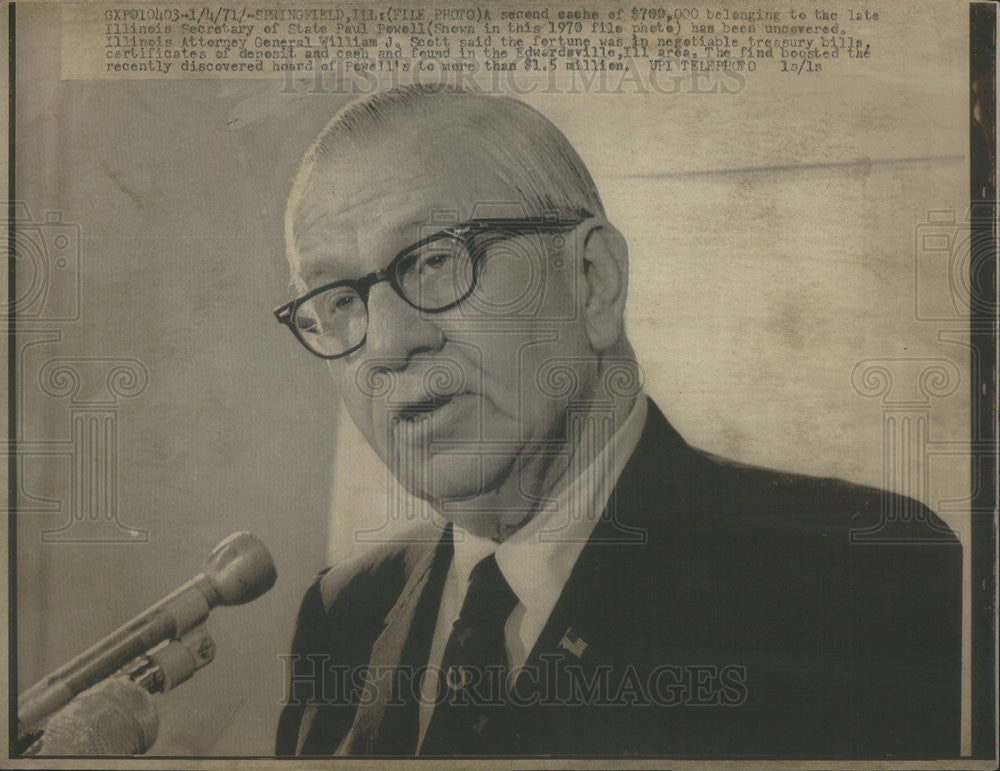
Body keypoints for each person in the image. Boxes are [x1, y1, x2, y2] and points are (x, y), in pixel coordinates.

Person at [273, 85, 961, 757]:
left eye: (433, 260)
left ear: (593, 279)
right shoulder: (345, 610)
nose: (388, 344)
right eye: (335, 302)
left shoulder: (855, 575)